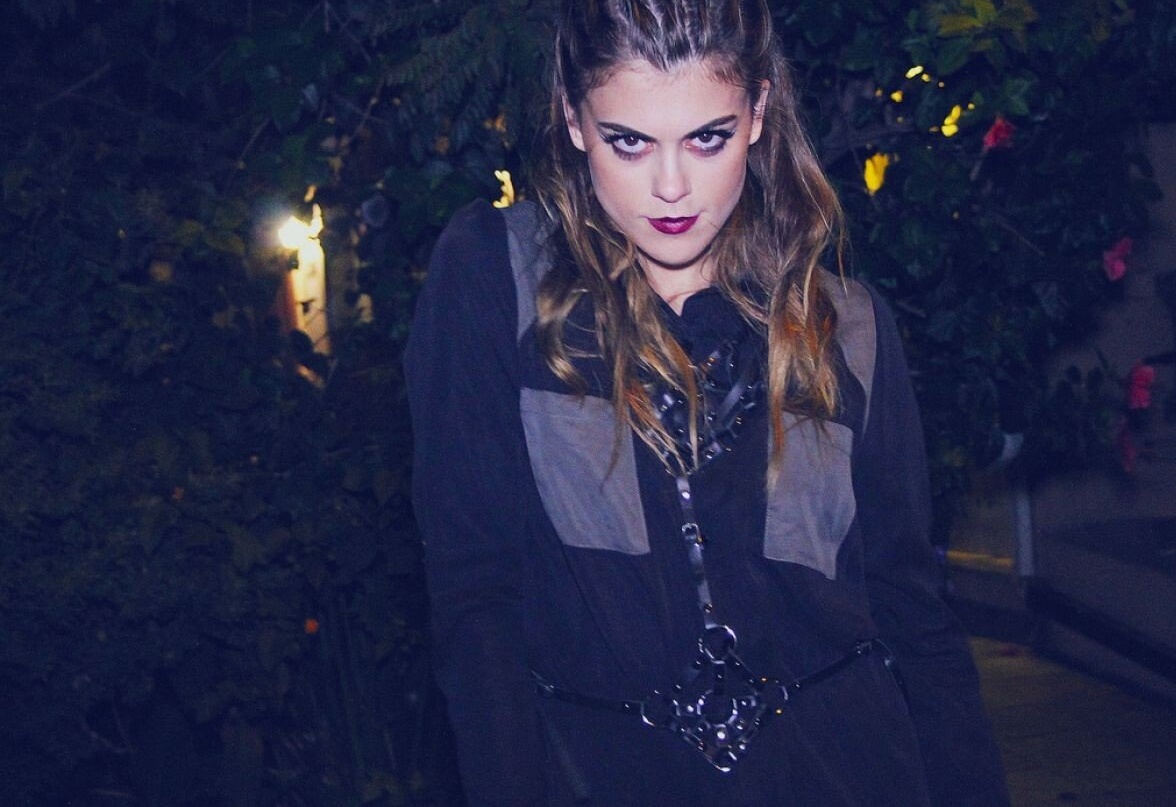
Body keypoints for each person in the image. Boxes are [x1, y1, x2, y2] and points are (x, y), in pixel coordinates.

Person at [405, 1, 1010, 804]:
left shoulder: (848, 324)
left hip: (848, 771)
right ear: (574, 120)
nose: (671, 186)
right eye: (629, 141)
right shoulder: (497, 279)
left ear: (758, 113)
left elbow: (911, 611)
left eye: (707, 138)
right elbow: (476, 597)